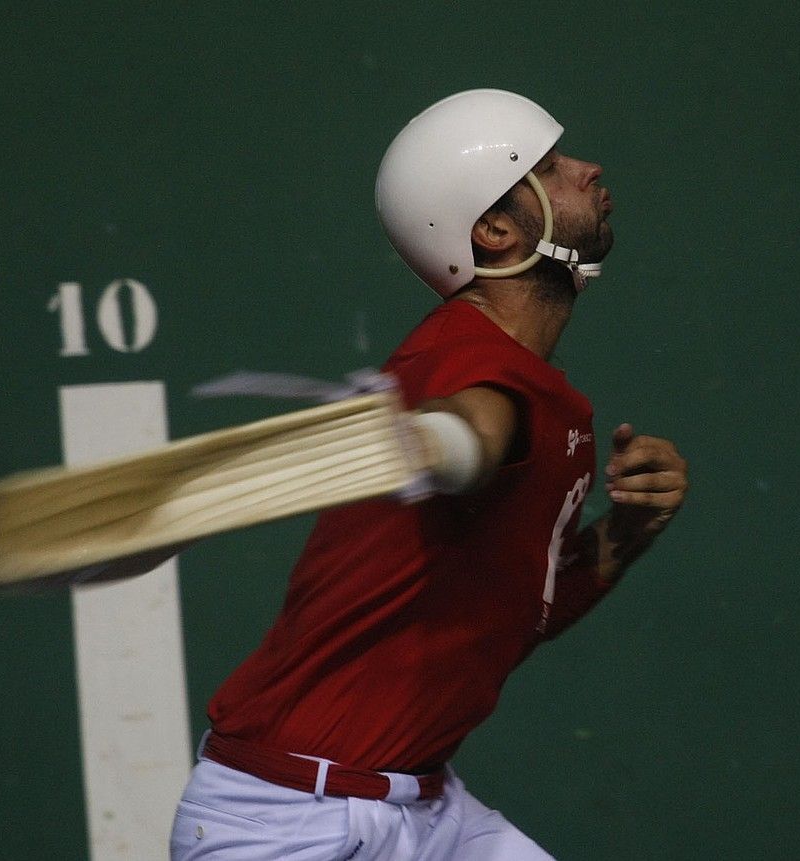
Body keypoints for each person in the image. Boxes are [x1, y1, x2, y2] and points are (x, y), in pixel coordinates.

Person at [170, 88, 688, 861]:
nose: (587, 167)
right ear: (498, 230)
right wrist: (449, 445)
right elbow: (478, 419)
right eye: (548, 166)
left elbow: (520, 616)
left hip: (426, 809)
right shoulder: (461, 359)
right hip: (285, 819)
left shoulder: (553, 403)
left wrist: (630, 528)